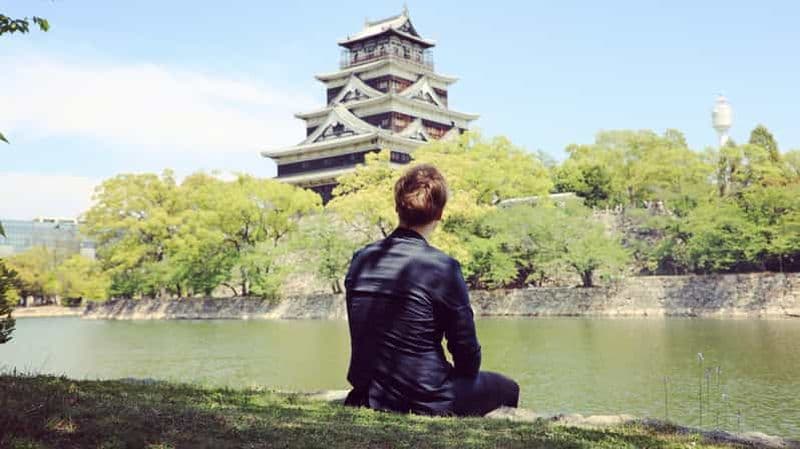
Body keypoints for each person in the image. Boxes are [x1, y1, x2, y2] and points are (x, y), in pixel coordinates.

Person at [343, 163, 519, 416]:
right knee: (508, 388)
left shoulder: (361, 258)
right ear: (440, 214)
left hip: (369, 391)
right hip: (425, 395)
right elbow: (466, 352)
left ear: (397, 208)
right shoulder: (442, 267)